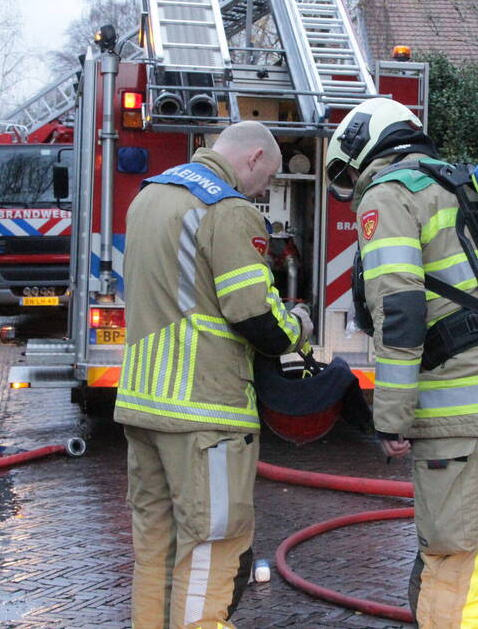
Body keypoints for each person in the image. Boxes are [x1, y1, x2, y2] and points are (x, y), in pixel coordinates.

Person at [325, 98, 478, 628]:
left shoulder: (390, 196)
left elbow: (401, 314)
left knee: (456, 565)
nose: (352, 184)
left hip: (467, 422)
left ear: (365, 147)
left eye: (347, 173)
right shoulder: (465, 184)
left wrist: (391, 417)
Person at [114, 121, 313, 629]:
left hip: (143, 402)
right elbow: (254, 315)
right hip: (206, 411)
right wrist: (300, 328)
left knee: (155, 545)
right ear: (251, 160)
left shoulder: (150, 197)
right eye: (266, 179)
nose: (264, 191)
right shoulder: (228, 210)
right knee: (212, 544)